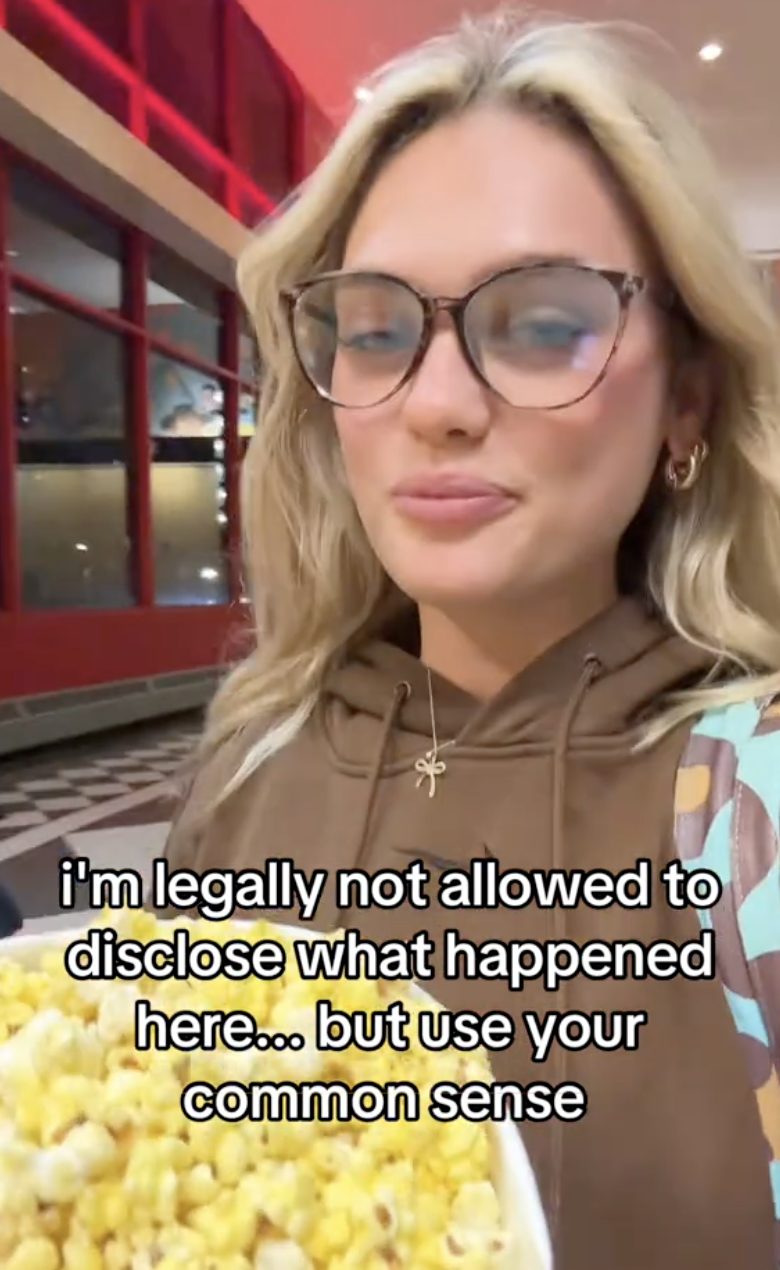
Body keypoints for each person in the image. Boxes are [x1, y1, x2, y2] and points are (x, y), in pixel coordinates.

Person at [156, 14, 780, 1270]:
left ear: (688, 396)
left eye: (545, 324)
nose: (436, 406)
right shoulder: (249, 768)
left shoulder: (750, 801)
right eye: (377, 330)